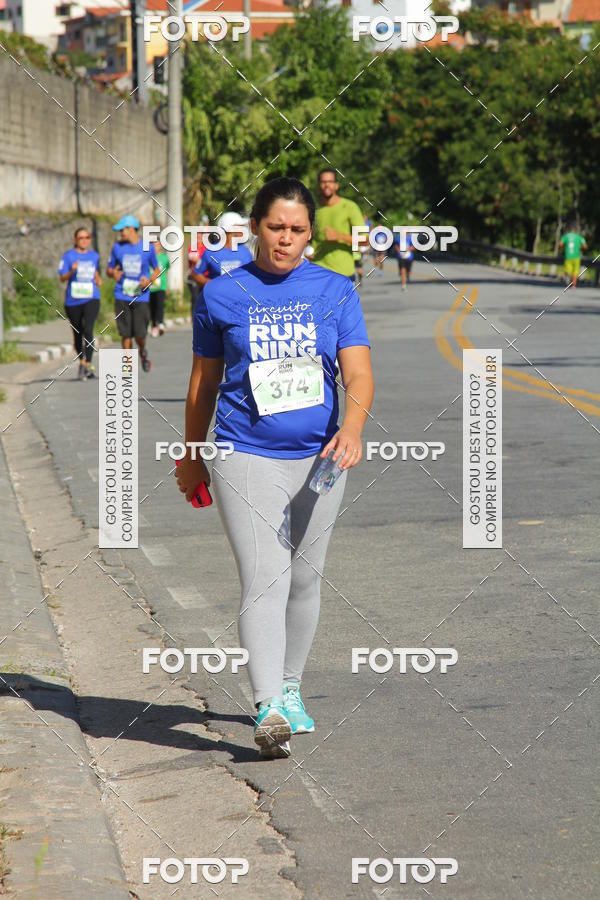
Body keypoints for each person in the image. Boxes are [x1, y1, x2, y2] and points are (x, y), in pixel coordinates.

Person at [176, 177, 374, 759]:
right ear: (255, 228)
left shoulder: (335, 290)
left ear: (310, 234)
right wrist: (191, 456)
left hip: (321, 457)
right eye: (275, 227)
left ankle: (290, 689)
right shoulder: (221, 294)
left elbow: (358, 374)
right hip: (243, 451)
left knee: (306, 577)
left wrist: (353, 428)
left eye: (297, 230)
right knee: (267, 575)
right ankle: (267, 708)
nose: (285, 239)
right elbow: (203, 383)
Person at [106, 215, 159, 372]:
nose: (120, 233)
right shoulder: (117, 247)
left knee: (139, 335)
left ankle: (142, 352)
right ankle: (128, 365)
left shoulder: (147, 248)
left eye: (122, 230)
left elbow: (157, 270)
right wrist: (112, 274)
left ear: (131, 230)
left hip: (141, 296)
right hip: (121, 294)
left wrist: (148, 281)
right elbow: (109, 269)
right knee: (125, 334)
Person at [58, 226, 102, 380]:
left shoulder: (94, 256)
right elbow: (62, 277)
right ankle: (82, 361)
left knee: (88, 329)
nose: (84, 240)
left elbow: (96, 273)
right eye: (81, 238)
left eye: (87, 237)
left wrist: (98, 279)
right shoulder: (68, 256)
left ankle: (88, 363)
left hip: (91, 297)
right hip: (73, 300)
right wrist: (72, 271)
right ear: (75, 240)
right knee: (78, 333)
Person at [312, 169, 367, 280]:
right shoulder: (313, 211)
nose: (326, 185)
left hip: (343, 273)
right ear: (318, 186)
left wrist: (339, 236)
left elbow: (365, 240)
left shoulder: (349, 207)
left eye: (330, 181)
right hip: (318, 272)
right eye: (323, 182)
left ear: (336, 186)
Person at [190, 212, 253, 292]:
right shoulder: (211, 252)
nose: (244, 229)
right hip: (217, 302)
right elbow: (195, 274)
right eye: (240, 226)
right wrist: (213, 285)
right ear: (229, 229)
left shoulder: (246, 252)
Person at [149, 241, 170, 337]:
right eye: (154, 245)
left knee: (160, 305)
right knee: (152, 307)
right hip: (151, 286)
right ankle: (153, 326)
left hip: (161, 285)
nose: (156, 246)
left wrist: (167, 286)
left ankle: (160, 323)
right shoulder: (148, 257)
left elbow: (166, 272)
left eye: (157, 244)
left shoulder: (164, 257)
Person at [560, 224, 587, 289]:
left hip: (568, 256)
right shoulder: (579, 237)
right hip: (576, 256)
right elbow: (585, 246)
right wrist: (579, 248)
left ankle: (567, 280)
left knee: (567, 269)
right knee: (575, 271)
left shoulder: (566, 236)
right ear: (575, 230)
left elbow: (560, 244)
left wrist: (564, 248)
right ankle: (573, 285)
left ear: (569, 229)